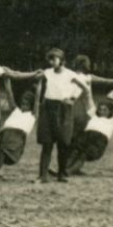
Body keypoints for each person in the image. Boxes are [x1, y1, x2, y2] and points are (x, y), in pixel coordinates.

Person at [34, 48, 89, 184]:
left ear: (63, 60)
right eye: (50, 59)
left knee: (63, 143)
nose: (52, 61)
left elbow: (85, 88)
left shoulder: (70, 74)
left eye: (55, 58)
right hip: (48, 108)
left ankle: (62, 174)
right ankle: (42, 175)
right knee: (47, 143)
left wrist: (72, 99)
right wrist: (38, 103)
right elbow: (39, 85)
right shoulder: (47, 72)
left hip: (63, 109)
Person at [64, 100, 113, 177]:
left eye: (105, 110)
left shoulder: (112, 119)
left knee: (84, 154)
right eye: (100, 109)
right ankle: (64, 169)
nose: (102, 112)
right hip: (86, 136)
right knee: (74, 149)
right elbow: (89, 97)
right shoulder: (94, 115)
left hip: (99, 140)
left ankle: (69, 171)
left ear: (110, 111)